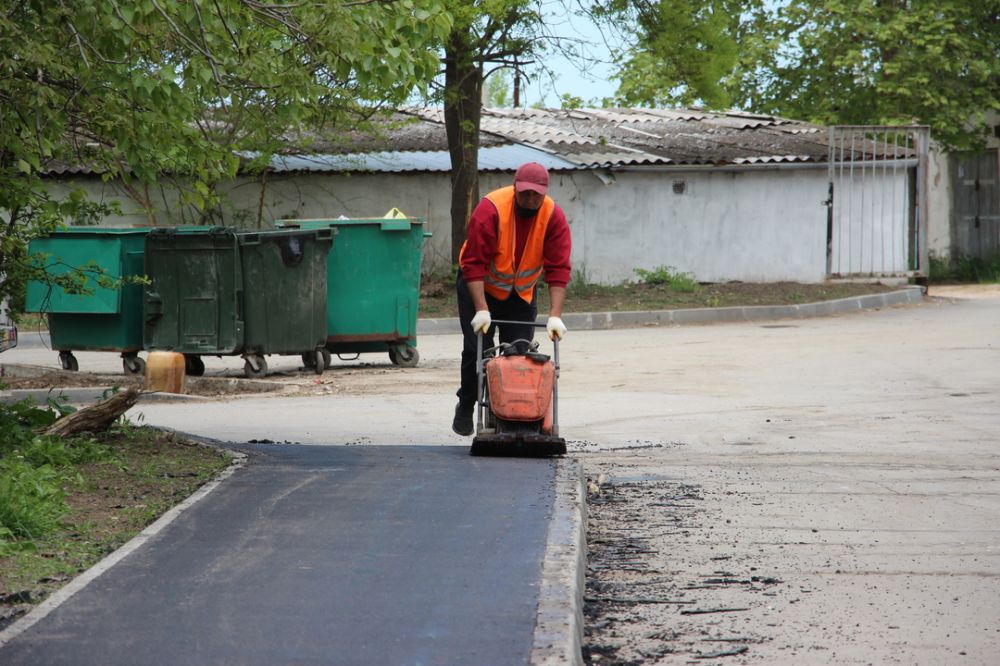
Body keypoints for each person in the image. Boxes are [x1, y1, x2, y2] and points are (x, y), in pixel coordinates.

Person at [452, 162, 572, 436]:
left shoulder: (553, 217)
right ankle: (466, 403)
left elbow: (559, 268)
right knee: (476, 351)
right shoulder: (491, 209)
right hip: (478, 288)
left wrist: (555, 315)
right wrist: (482, 309)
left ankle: (507, 414)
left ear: (545, 193)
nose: (530, 199)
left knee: (518, 355)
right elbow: (473, 263)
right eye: (525, 193)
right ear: (515, 187)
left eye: (536, 195)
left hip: (520, 294)